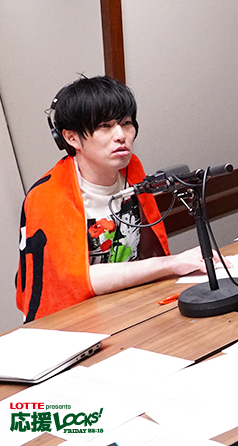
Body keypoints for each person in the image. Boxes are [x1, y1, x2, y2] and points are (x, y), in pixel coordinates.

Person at [16, 75, 213, 322]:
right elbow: (78, 280)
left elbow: (149, 250)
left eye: (126, 123)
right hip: (72, 321)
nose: (121, 135)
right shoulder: (47, 196)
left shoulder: (132, 170)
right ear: (71, 138)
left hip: (129, 303)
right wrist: (172, 263)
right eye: (105, 126)